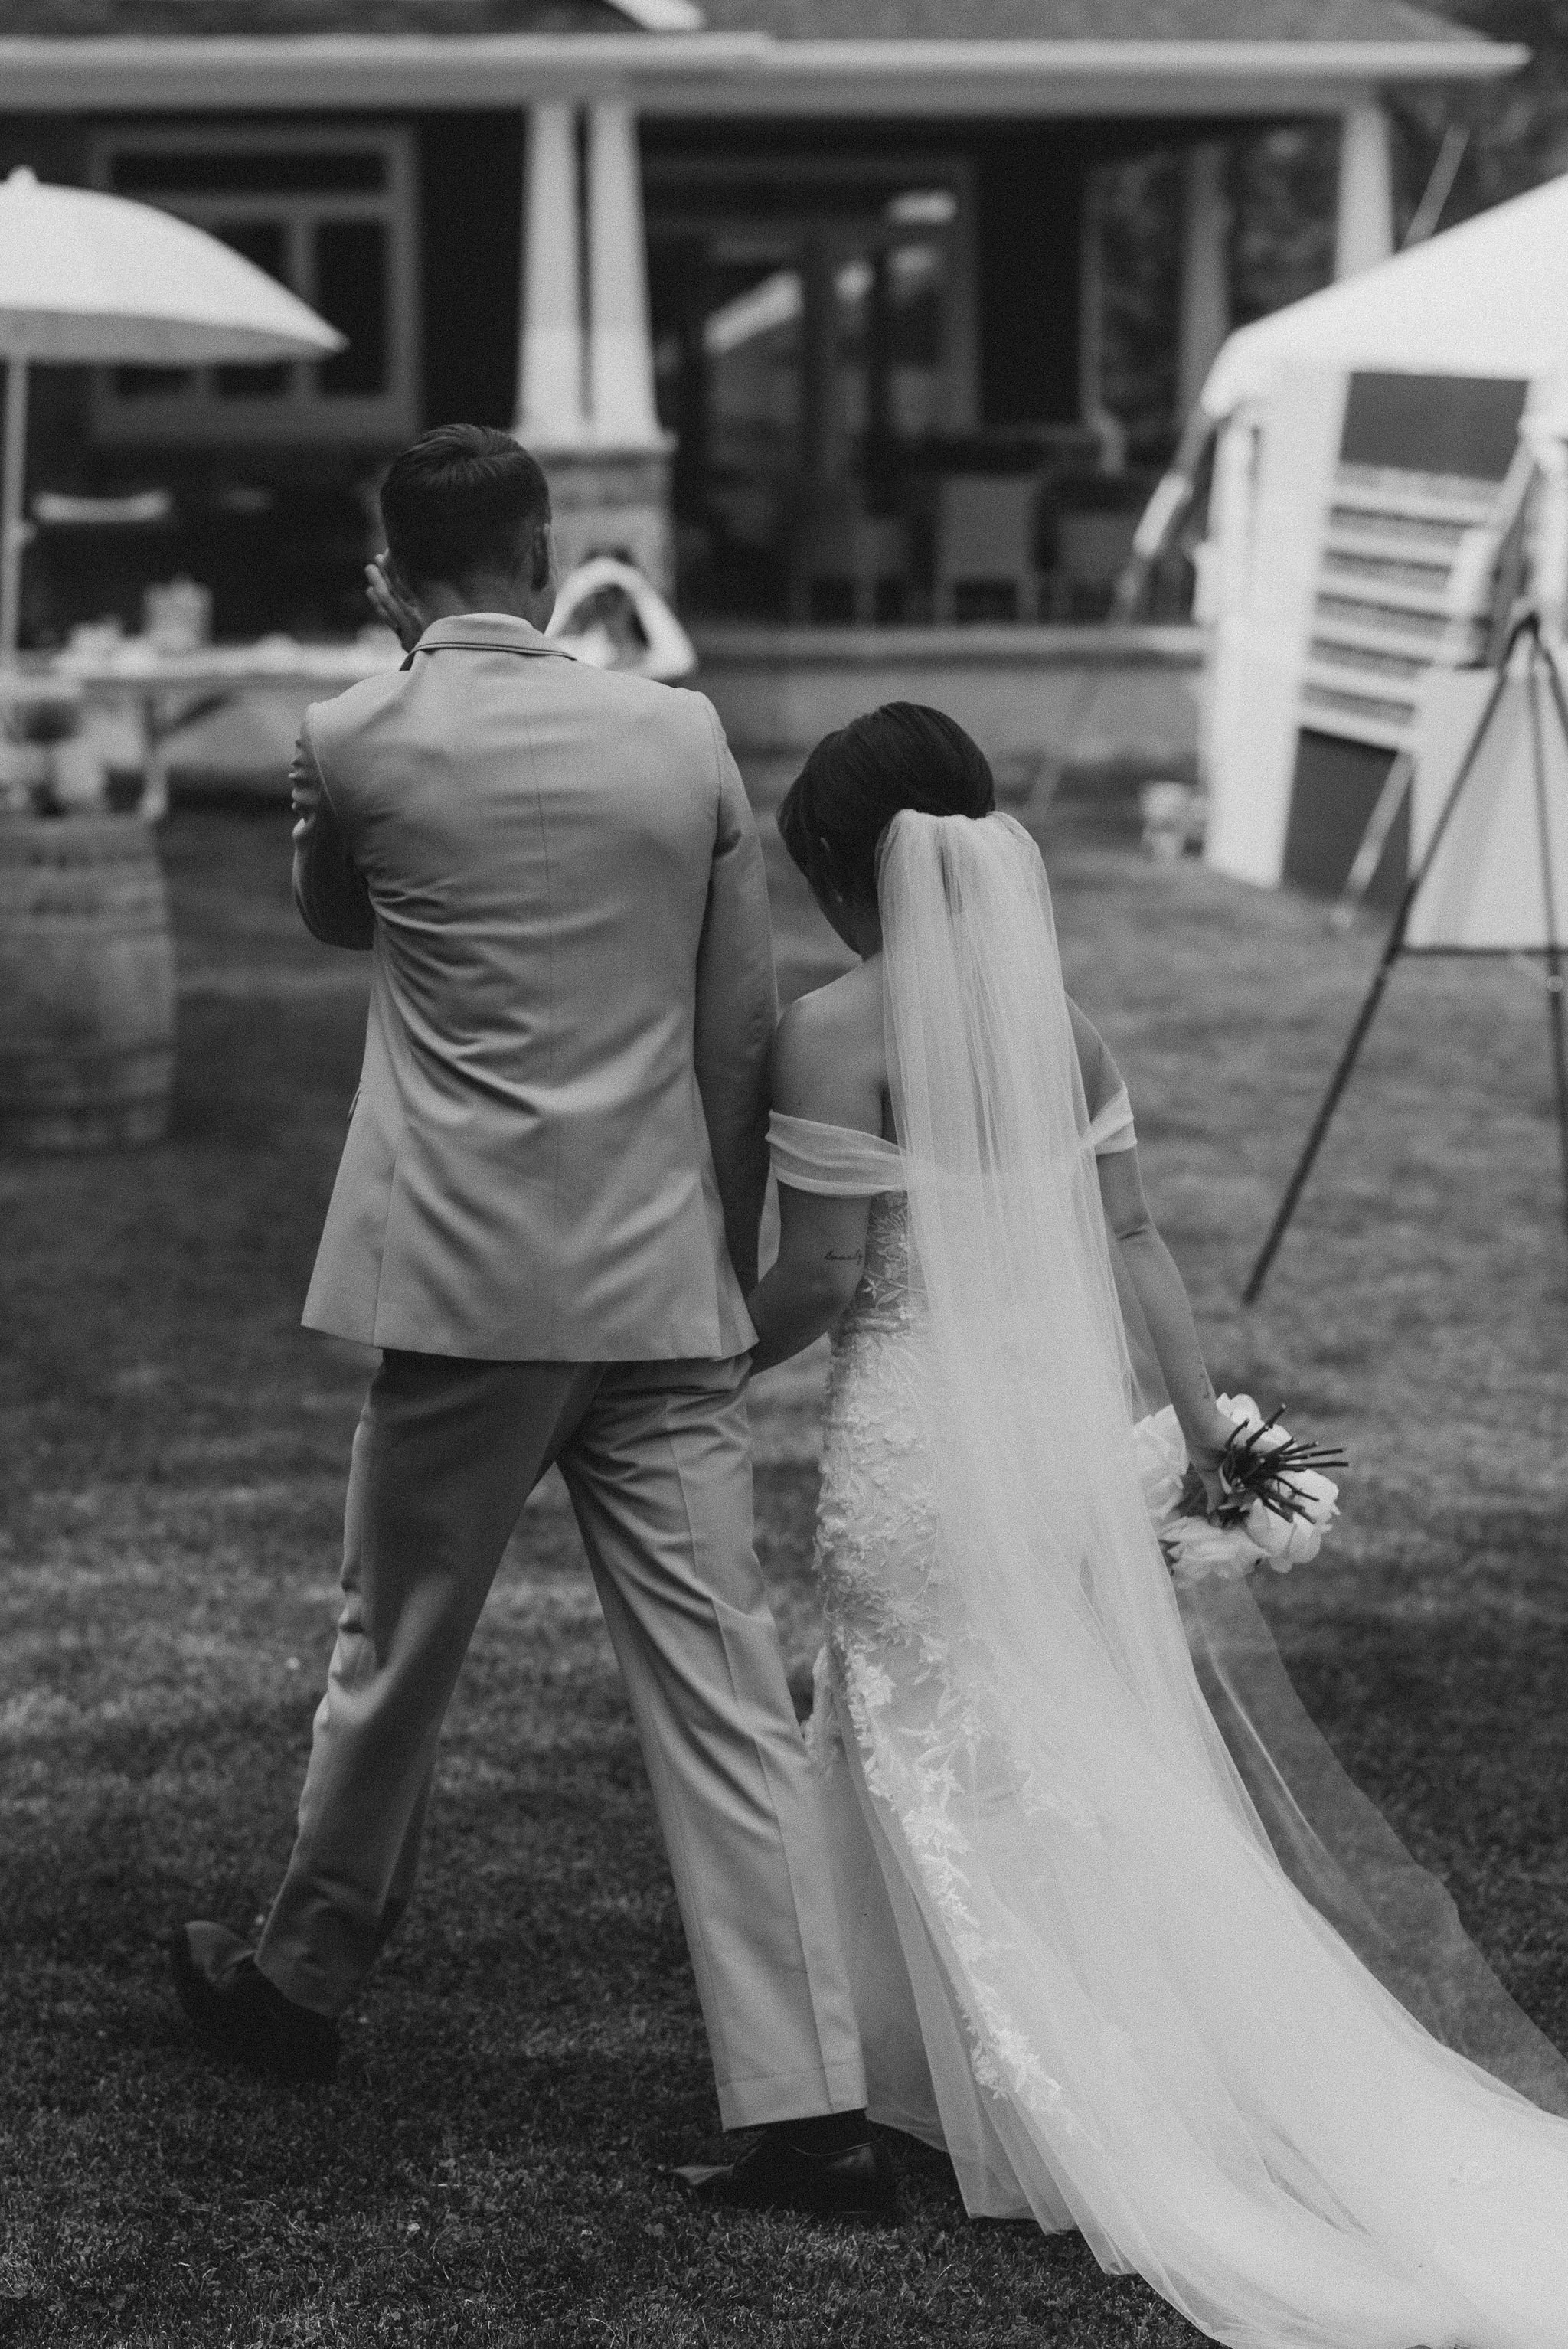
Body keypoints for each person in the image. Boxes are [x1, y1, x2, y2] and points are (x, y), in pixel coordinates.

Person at [748, 701, 1568, 2347]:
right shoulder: (1064, 1027)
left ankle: (954, 2068)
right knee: (1056, 1727)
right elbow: (1135, 1247)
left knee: (925, 1718)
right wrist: (1210, 1443)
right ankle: (1047, 2040)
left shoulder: (834, 1028)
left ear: (847, 869)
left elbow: (830, 1277)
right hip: (1053, 1434)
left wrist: (688, 1362)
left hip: (917, 1436)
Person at [168, 423, 890, 2220]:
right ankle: (806, 2107)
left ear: (391, 573)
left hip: (469, 1290)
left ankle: (299, 1987)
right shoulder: (681, 734)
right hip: (661, 1288)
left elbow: (339, 920)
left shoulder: (353, 733)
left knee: (394, 1649)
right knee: (728, 1686)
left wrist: (392, 682)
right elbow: (738, 1033)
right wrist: (720, 1265)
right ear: (556, 555)